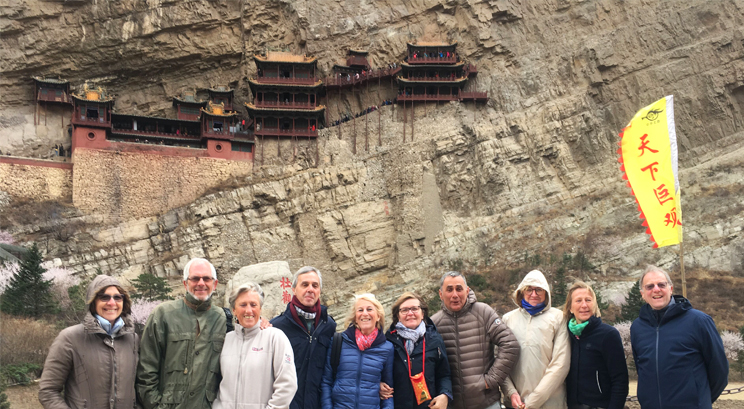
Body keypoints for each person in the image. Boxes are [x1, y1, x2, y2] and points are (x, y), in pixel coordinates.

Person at [630, 265, 728, 409]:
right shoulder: (637, 327)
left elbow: (719, 370)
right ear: (643, 294)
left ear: (670, 288)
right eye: (650, 286)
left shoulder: (699, 321)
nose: (656, 289)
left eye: (661, 284)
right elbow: (642, 369)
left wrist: (700, 400)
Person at [136, 258, 227, 409]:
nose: (201, 283)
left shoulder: (223, 319)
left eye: (206, 279)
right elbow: (146, 370)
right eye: (195, 278)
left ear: (215, 284)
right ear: (185, 283)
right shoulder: (163, 314)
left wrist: (262, 323)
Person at [39, 275, 138, 409]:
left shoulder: (132, 339)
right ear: (93, 302)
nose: (112, 303)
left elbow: (137, 386)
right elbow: (48, 391)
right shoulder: (70, 337)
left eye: (117, 297)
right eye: (104, 297)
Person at [431, 271, 520, 409]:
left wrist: (491, 380)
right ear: (441, 294)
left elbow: (510, 344)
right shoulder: (434, 324)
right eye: (449, 290)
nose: (455, 294)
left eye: (459, 289)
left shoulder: (483, 312)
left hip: (487, 403)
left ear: (467, 291)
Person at [213, 282, 297, 409]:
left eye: (253, 305)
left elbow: (287, 385)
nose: (248, 310)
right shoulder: (226, 340)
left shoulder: (275, 338)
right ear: (234, 310)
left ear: (260, 308)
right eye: (243, 305)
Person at [501, 270, 570, 409]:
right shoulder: (508, 319)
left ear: (546, 293)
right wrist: (511, 393)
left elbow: (560, 364)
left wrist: (532, 402)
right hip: (515, 404)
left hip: (551, 403)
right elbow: (501, 362)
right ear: (521, 292)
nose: (534, 294)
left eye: (539, 290)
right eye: (529, 289)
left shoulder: (559, 318)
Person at [271, 266, 337, 409]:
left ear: (319, 290)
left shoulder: (329, 325)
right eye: (305, 284)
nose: (310, 289)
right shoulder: (276, 327)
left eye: (315, 285)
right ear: (293, 289)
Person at [321, 293, 394, 409]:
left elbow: (388, 391)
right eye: (360, 310)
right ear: (355, 317)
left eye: (369, 309)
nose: (365, 313)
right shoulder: (338, 342)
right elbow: (326, 382)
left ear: (378, 316)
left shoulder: (387, 348)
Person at [563, 281, 628, 409]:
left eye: (588, 300)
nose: (584, 305)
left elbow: (620, 380)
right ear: (570, 307)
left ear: (594, 304)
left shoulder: (608, 334)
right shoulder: (565, 334)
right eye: (578, 300)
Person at [383, 292, 452, 409]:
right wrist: (378, 385)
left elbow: (444, 374)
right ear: (398, 316)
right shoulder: (388, 342)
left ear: (422, 313)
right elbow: (377, 373)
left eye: (415, 308)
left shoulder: (435, 339)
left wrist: (445, 395)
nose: (410, 313)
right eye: (404, 310)